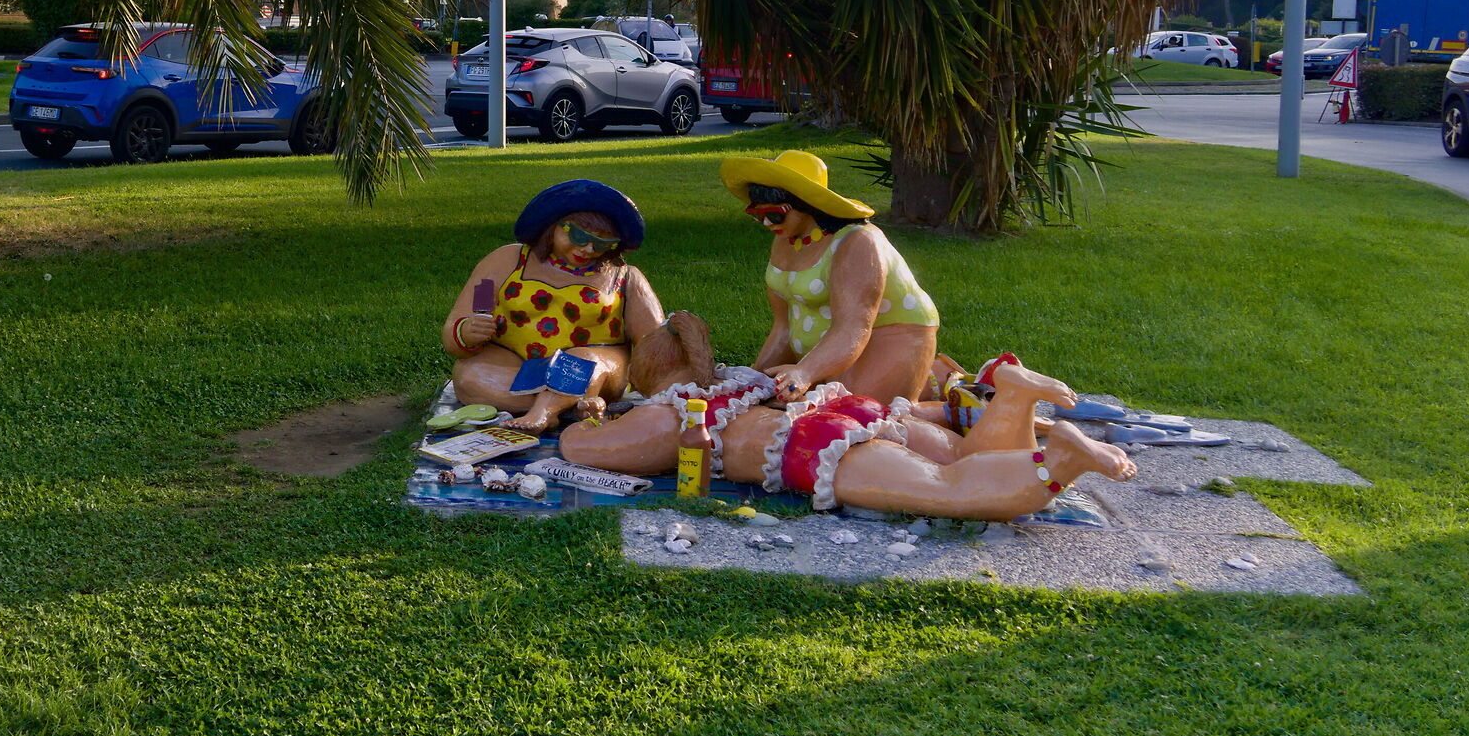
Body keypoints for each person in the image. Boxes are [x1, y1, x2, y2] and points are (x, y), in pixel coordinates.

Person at [557, 356, 1136, 520]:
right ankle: (1012, 395)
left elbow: (583, 450)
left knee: (950, 489)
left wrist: (586, 416)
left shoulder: (678, 413)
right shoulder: (746, 382)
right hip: (853, 410)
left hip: (813, 443)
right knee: (962, 455)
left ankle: (1060, 457)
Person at [442, 181, 706, 434]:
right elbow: (470, 312)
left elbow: (652, 347)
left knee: (581, 362)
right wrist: (467, 331)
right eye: (580, 236)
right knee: (472, 375)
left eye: (603, 244)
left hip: (594, 368)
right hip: (514, 363)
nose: (589, 249)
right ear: (553, 226)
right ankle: (570, 404)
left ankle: (543, 412)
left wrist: (675, 346)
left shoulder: (624, 277)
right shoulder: (507, 261)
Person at [718, 149, 939, 406]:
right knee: (764, 404)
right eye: (758, 215)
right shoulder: (786, 239)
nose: (767, 223)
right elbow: (784, 326)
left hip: (885, 337)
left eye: (775, 214)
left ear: (807, 205)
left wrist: (805, 372)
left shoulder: (857, 242)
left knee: (854, 414)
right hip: (825, 354)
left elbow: (853, 327)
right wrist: (755, 380)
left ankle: (939, 404)